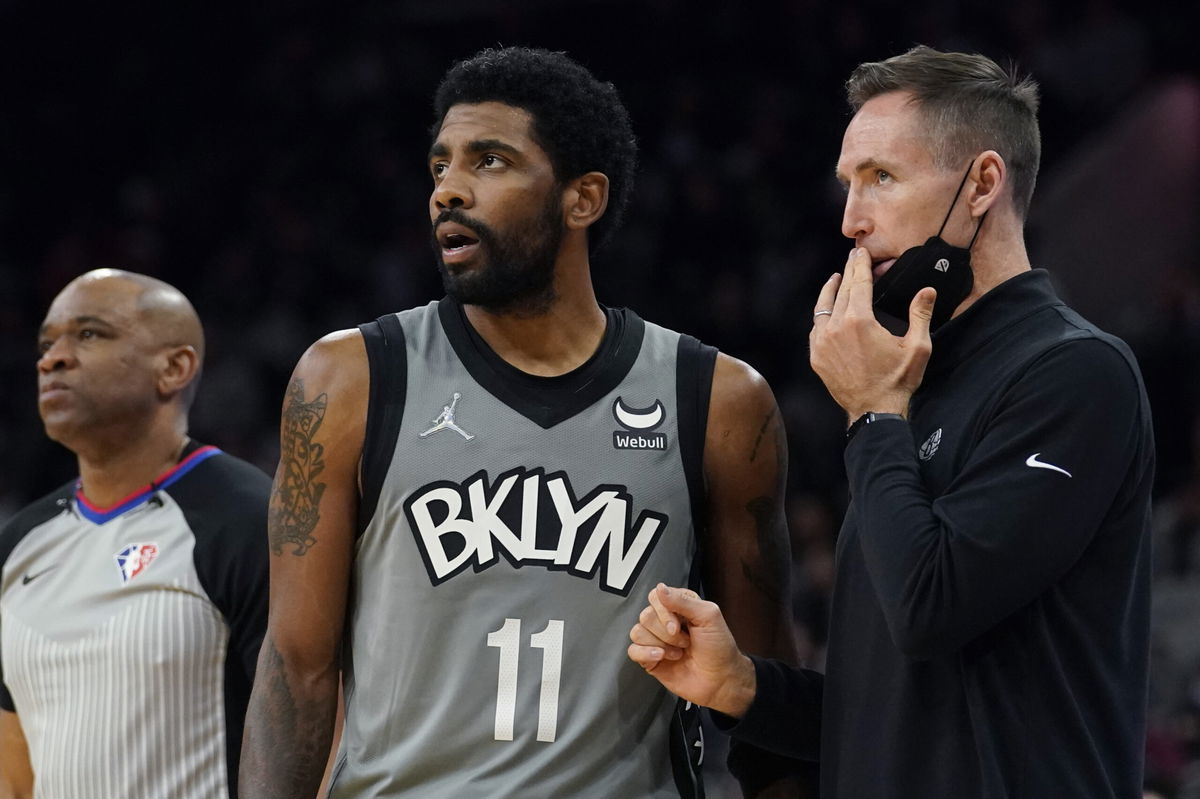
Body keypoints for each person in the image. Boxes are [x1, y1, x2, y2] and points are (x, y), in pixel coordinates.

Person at [240, 47, 802, 798]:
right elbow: (295, 667)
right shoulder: (349, 378)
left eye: (490, 161)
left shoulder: (719, 399)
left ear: (583, 198)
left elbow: (765, 693)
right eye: (440, 166)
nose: (448, 191)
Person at [629, 45, 1155, 798]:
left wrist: (873, 412)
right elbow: (895, 713)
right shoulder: (913, 386)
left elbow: (930, 606)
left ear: (981, 183)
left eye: (881, 177)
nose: (850, 218)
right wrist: (743, 686)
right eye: (847, 183)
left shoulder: (1076, 373)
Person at [0, 269, 271, 798]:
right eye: (46, 343)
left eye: (89, 334)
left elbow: (313, 729)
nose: (51, 358)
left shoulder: (244, 519)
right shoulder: (18, 544)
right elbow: (13, 774)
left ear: (174, 368)